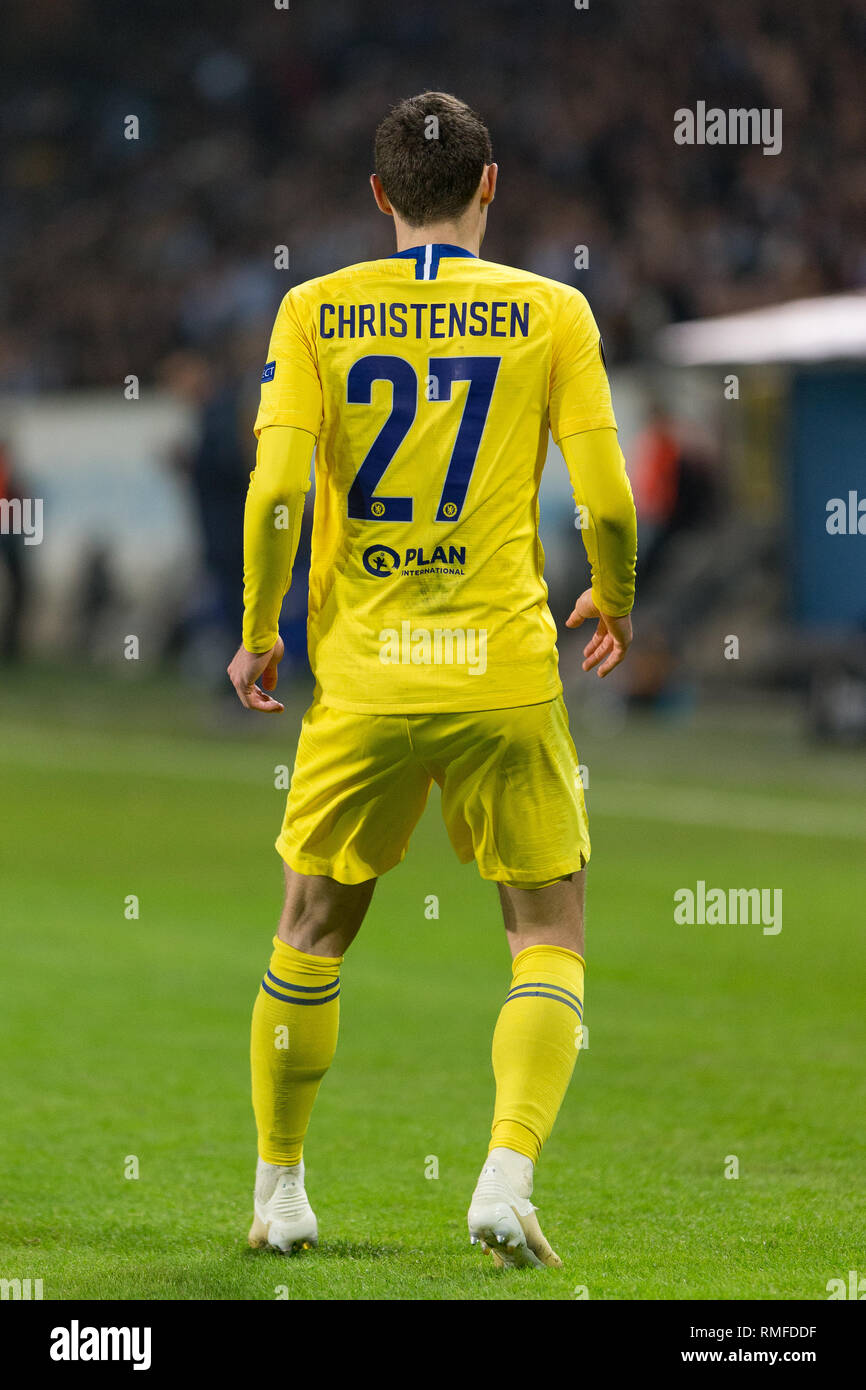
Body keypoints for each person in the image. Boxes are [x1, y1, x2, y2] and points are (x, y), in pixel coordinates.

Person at [227, 92, 637, 1269]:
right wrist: (612, 597)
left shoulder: (314, 310)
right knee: (544, 930)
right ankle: (505, 1177)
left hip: (363, 679)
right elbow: (606, 502)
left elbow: (273, 497)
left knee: (310, 928)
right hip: (502, 670)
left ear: (377, 198)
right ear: (489, 186)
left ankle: (283, 1193)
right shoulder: (552, 311)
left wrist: (261, 630)